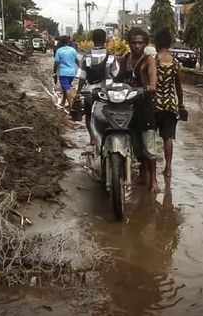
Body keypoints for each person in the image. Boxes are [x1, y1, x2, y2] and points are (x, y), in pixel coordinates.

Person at [115, 27, 159, 194]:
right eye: (134, 42)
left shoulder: (149, 60)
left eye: (141, 42)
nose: (137, 45)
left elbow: (152, 74)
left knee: (148, 145)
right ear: (129, 43)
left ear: (145, 43)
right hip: (127, 106)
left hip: (145, 106)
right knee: (135, 145)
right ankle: (142, 167)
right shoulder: (125, 58)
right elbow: (118, 78)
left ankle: (153, 179)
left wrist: (151, 85)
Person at [74, 29, 120, 144]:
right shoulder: (111, 57)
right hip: (108, 92)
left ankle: (92, 139)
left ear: (93, 40)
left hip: (90, 92)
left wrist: (77, 92)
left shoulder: (86, 56)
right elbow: (116, 74)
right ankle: (108, 136)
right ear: (105, 40)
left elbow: (82, 77)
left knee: (89, 115)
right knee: (109, 114)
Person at [153, 28, 188, 178]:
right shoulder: (175, 63)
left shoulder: (153, 61)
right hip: (170, 105)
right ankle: (168, 168)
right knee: (168, 138)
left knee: (149, 138)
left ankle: (150, 171)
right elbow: (178, 87)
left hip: (154, 105)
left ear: (157, 43)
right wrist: (181, 105)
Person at [53, 36, 80, 109]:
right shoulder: (73, 50)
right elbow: (77, 61)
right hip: (72, 72)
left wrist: (54, 72)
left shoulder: (59, 51)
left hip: (63, 72)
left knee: (66, 89)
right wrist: (80, 69)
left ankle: (71, 106)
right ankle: (62, 102)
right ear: (68, 42)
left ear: (60, 42)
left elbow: (56, 63)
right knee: (65, 87)